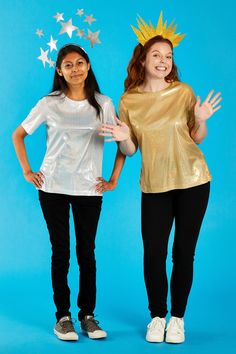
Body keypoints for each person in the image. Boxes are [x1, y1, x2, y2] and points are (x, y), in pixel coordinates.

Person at [98, 13, 222, 344]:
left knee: (184, 252)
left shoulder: (183, 92)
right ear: (143, 58)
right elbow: (130, 148)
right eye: (157, 55)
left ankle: (177, 319)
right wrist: (123, 135)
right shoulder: (129, 100)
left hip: (194, 179)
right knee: (153, 253)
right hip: (154, 184)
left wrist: (201, 119)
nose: (164, 61)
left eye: (168, 56)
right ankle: (157, 316)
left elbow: (196, 137)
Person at [12, 44, 125, 341]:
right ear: (59, 71)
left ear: (88, 66)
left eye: (79, 63)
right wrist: (27, 171)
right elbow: (19, 134)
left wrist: (113, 179)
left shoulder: (104, 103)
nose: (74, 69)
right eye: (68, 65)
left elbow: (123, 144)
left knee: (86, 253)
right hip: (53, 188)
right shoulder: (50, 103)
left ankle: (87, 315)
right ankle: (63, 317)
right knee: (60, 252)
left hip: (89, 189)